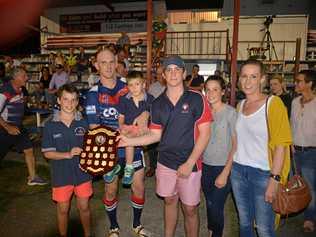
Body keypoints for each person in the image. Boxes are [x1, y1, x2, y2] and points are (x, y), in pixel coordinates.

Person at [119, 55, 212, 237]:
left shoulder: (197, 98)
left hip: (190, 164)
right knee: (169, 201)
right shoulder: (157, 103)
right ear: (163, 75)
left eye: (177, 69)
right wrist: (129, 141)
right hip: (165, 163)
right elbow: (155, 135)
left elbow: (205, 134)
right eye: (169, 70)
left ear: (184, 73)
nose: (173, 73)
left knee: (190, 209)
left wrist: (189, 162)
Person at [85, 48, 152, 237]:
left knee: (139, 186)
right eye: (103, 62)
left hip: (133, 145)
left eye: (111, 62)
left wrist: (146, 113)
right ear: (96, 65)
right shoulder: (93, 93)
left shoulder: (129, 85)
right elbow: (94, 128)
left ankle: (137, 225)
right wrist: (120, 135)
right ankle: (113, 227)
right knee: (111, 189)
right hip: (110, 149)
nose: (108, 66)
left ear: (117, 63)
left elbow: (148, 103)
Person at [230, 59, 292, 237]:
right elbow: (237, 142)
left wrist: (274, 179)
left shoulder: (273, 104)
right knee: (244, 224)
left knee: (264, 228)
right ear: (239, 79)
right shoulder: (240, 105)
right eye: (244, 76)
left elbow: (281, 145)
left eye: (253, 76)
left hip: (264, 174)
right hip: (238, 172)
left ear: (262, 80)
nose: (248, 81)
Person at [42, 84, 93, 237]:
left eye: (73, 100)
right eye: (65, 99)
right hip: (61, 175)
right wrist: (67, 154)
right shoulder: (50, 125)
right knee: (63, 209)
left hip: (82, 174)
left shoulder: (84, 123)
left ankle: (88, 234)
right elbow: (47, 154)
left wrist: (88, 157)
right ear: (59, 100)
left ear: (77, 102)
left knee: (84, 207)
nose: (69, 104)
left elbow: (90, 148)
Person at [202, 75, 237, 237]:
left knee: (216, 205)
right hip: (205, 165)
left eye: (215, 89)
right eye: (208, 90)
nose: (211, 93)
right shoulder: (203, 112)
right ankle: (212, 229)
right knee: (209, 204)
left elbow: (236, 145)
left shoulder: (231, 113)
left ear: (223, 92)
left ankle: (217, 233)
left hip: (223, 166)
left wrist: (225, 173)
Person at [0, 67, 47, 186]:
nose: (27, 78)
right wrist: (7, 127)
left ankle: (33, 177)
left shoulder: (20, 89)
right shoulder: (4, 91)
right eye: (24, 76)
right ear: (15, 78)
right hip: (4, 129)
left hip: (18, 127)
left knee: (29, 149)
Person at [117, 70, 154, 186]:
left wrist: (146, 116)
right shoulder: (124, 99)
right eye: (131, 85)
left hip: (143, 130)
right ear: (127, 86)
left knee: (129, 139)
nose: (134, 88)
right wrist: (121, 127)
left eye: (137, 84)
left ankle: (128, 167)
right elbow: (121, 116)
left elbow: (154, 116)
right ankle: (115, 165)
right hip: (129, 128)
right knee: (120, 135)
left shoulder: (150, 98)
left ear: (143, 84)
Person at [291, 70, 316, 233]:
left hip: (311, 151)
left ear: (309, 84)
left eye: (299, 81)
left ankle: (309, 218)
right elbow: (290, 124)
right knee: (299, 184)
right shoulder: (294, 102)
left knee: (310, 186)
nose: (296, 84)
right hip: (295, 151)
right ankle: (301, 209)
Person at [146, 65, 166, 177]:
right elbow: (149, 105)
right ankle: (152, 167)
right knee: (152, 146)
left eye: (160, 74)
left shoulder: (171, 87)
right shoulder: (153, 87)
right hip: (154, 120)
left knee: (165, 146)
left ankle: (163, 169)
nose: (158, 76)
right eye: (157, 74)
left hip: (168, 122)